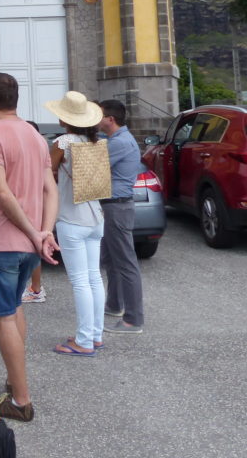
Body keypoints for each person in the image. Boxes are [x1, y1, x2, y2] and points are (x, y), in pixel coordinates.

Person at [0, 72, 58, 423]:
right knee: (15, 306)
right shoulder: (35, 135)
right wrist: (44, 232)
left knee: (4, 315)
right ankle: (14, 379)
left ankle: (20, 400)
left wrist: (33, 230)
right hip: (29, 244)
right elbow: (49, 190)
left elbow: (2, 193)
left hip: (3, 241)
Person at [44, 92, 106, 356]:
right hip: (96, 215)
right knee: (94, 278)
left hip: (72, 218)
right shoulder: (95, 142)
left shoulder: (63, 142)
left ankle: (83, 341)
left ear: (66, 118)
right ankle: (95, 334)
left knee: (80, 281)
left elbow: (44, 171)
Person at [97, 99, 145, 334]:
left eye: (99, 115)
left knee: (125, 263)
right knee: (110, 258)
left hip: (117, 207)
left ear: (110, 119)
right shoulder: (114, 140)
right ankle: (114, 305)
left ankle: (133, 320)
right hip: (113, 207)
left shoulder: (119, 143)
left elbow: (93, 166)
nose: (96, 120)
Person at [21, 121, 47, 304]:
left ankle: (36, 289)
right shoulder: (41, 150)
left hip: (31, 204)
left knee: (32, 247)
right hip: (36, 203)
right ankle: (34, 287)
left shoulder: (31, 153)